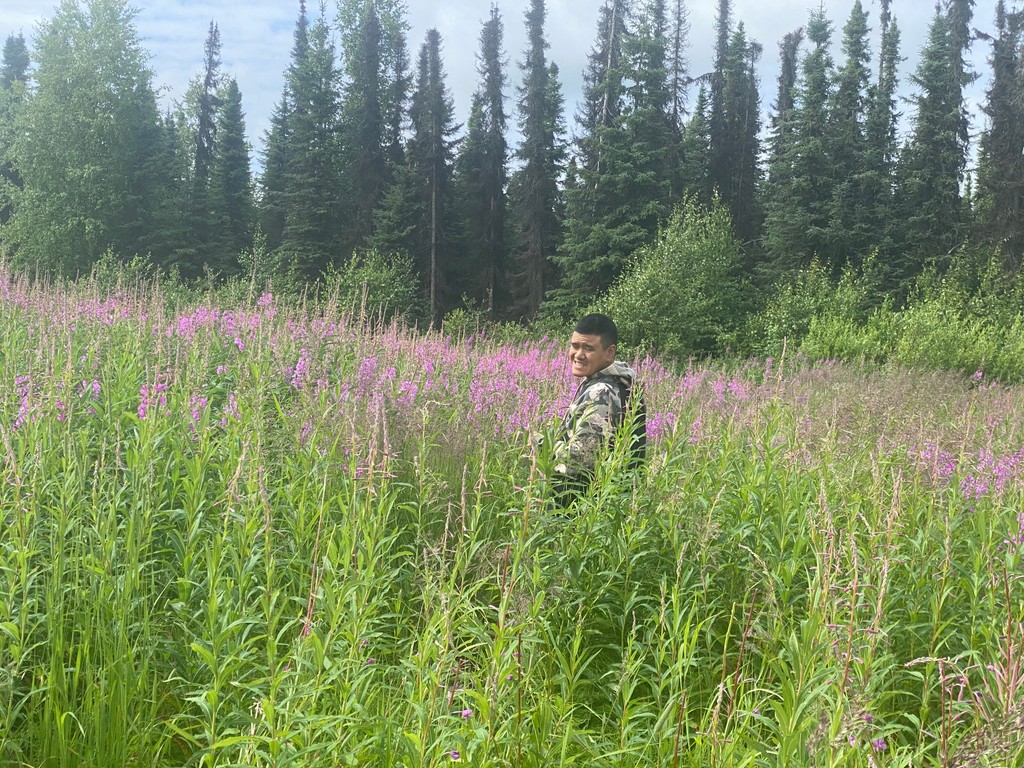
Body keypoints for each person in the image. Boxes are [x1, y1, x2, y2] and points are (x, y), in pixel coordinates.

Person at [548, 313, 645, 506]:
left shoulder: (602, 392)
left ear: (610, 352)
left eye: (588, 348)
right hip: (604, 505)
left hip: (583, 512)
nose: (578, 354)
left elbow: (579, 462)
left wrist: (541, 444)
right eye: (575, 346)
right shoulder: (619, 384)